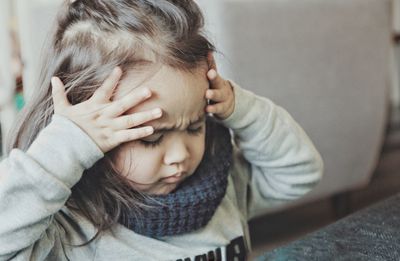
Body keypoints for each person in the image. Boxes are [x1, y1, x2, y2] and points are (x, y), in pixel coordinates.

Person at [0, 0, 324, 260]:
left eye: (196, 126)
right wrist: (66, 145)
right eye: (152, 138)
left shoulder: (221, 184)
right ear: (90, 137)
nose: (181, 155)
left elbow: (300, 172)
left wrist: (243, 108)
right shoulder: (70, 225)